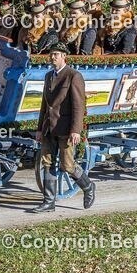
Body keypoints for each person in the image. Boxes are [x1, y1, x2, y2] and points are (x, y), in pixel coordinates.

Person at [28, 43, 95, 213]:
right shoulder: (48, 76)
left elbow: (78, 106)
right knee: (47, 163)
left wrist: (75, 130)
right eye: (51, 54)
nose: (53, 57)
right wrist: (38, 128)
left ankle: (88, 187)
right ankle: (49, 202)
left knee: (67, 165)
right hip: (48, 127)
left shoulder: (73, 76)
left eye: (56, 54)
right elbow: (45, 104)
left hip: (66, 128)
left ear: (64, 56)